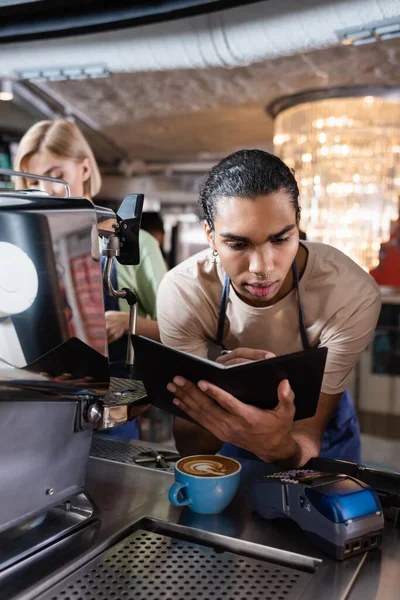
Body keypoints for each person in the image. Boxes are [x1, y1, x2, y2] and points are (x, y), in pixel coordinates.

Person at [157, 149, 381, 467]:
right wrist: (220, 397)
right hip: (231, 411)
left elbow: (306, 440)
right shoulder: (184, 292)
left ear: (297, 224)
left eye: (280, 239)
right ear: (210, 236)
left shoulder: (350, 294)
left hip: (322, 425)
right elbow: (191, 446)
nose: (263, 267)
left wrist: (280, 448)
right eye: (238, 243)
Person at [13, 119, 167, 437]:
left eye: (57, 177)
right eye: (33, 183)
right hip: (37, 404)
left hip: (111, 409)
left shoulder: (132, 243)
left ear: (84, 169)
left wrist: (127, 323)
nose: (47, 191)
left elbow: (179, 331)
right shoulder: (22, 250)